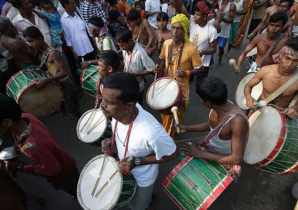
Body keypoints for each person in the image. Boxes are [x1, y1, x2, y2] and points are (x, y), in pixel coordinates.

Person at [0, 93, 80, 197]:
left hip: (64, 175)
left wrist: (20, 166)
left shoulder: (33, 146)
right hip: (65, 159)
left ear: (7, 122)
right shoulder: (26, 117)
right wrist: (9, 151)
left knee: (77, 190)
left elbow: (52, 170)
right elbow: (27, 142)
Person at [100, 73, 179, 210]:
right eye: (103, 98)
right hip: (125, 170)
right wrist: (111, 140)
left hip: (143, 179)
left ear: (129, 106)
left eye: (110, 102)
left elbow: (174, 153)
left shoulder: (151, 131)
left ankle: (150, 201)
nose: (103, 105)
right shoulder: (117, 113)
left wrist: (137, 162)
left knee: (138, 207)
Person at [179, 77, 248, 169]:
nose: (200, 100)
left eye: (200, 98)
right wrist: (187, 128)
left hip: (224, 159)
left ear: (208, 102)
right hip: (210, 150)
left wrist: (200, 154)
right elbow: (212, 125)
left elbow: (236, 159)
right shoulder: (219, 105)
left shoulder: (237, 122)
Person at [153, 14, 204, 137]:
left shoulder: (191, 49)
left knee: (178, 112)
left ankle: (173, 129)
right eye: (174, 27)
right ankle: (168, 134)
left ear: (185, 30)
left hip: (181, 88)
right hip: (166, 85)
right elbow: (161, 59)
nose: (175, 32)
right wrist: (158, 66)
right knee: (166, 112)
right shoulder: (166, 44)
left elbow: (200, 68)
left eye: (179, 28)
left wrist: (185, 73)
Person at [244, 36, 298, 119]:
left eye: (296, 61)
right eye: (287, 58)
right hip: (258, 108)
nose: (289, 64)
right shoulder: (266, 70)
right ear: (281, 54)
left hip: (280, 115)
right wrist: (248, 97)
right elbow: (248, 86)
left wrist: (294, 108)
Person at [23, 26, 80, 117]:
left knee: (74, 109)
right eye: (28, 42)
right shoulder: (41, 53)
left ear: (40, 39)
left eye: (31, 41)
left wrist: (46, 80)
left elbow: (64, 72)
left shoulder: (53, 53)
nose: (30, 44)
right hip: (57, 84)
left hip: (65, 83)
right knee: (67, 108)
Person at [172, 0, 217, 85]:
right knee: (184, 81)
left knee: (199, 86)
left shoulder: (211, 30)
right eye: (195, 14)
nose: (195, 16)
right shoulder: (192, 20)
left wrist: (203, 52)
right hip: (189, 61)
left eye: (197, 15)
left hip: (202, 65)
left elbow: (214, 48)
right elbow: (179, 8)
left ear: (204, 17)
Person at [116, 29, 155, 105]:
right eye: (119, 46)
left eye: (122, 45)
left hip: (138, 84)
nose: (121, 48)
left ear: (130, 41)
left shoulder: (141, 52)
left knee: (138, 104)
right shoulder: (125, 49)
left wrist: (134, 74)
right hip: (128, 82)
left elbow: (151, 69)